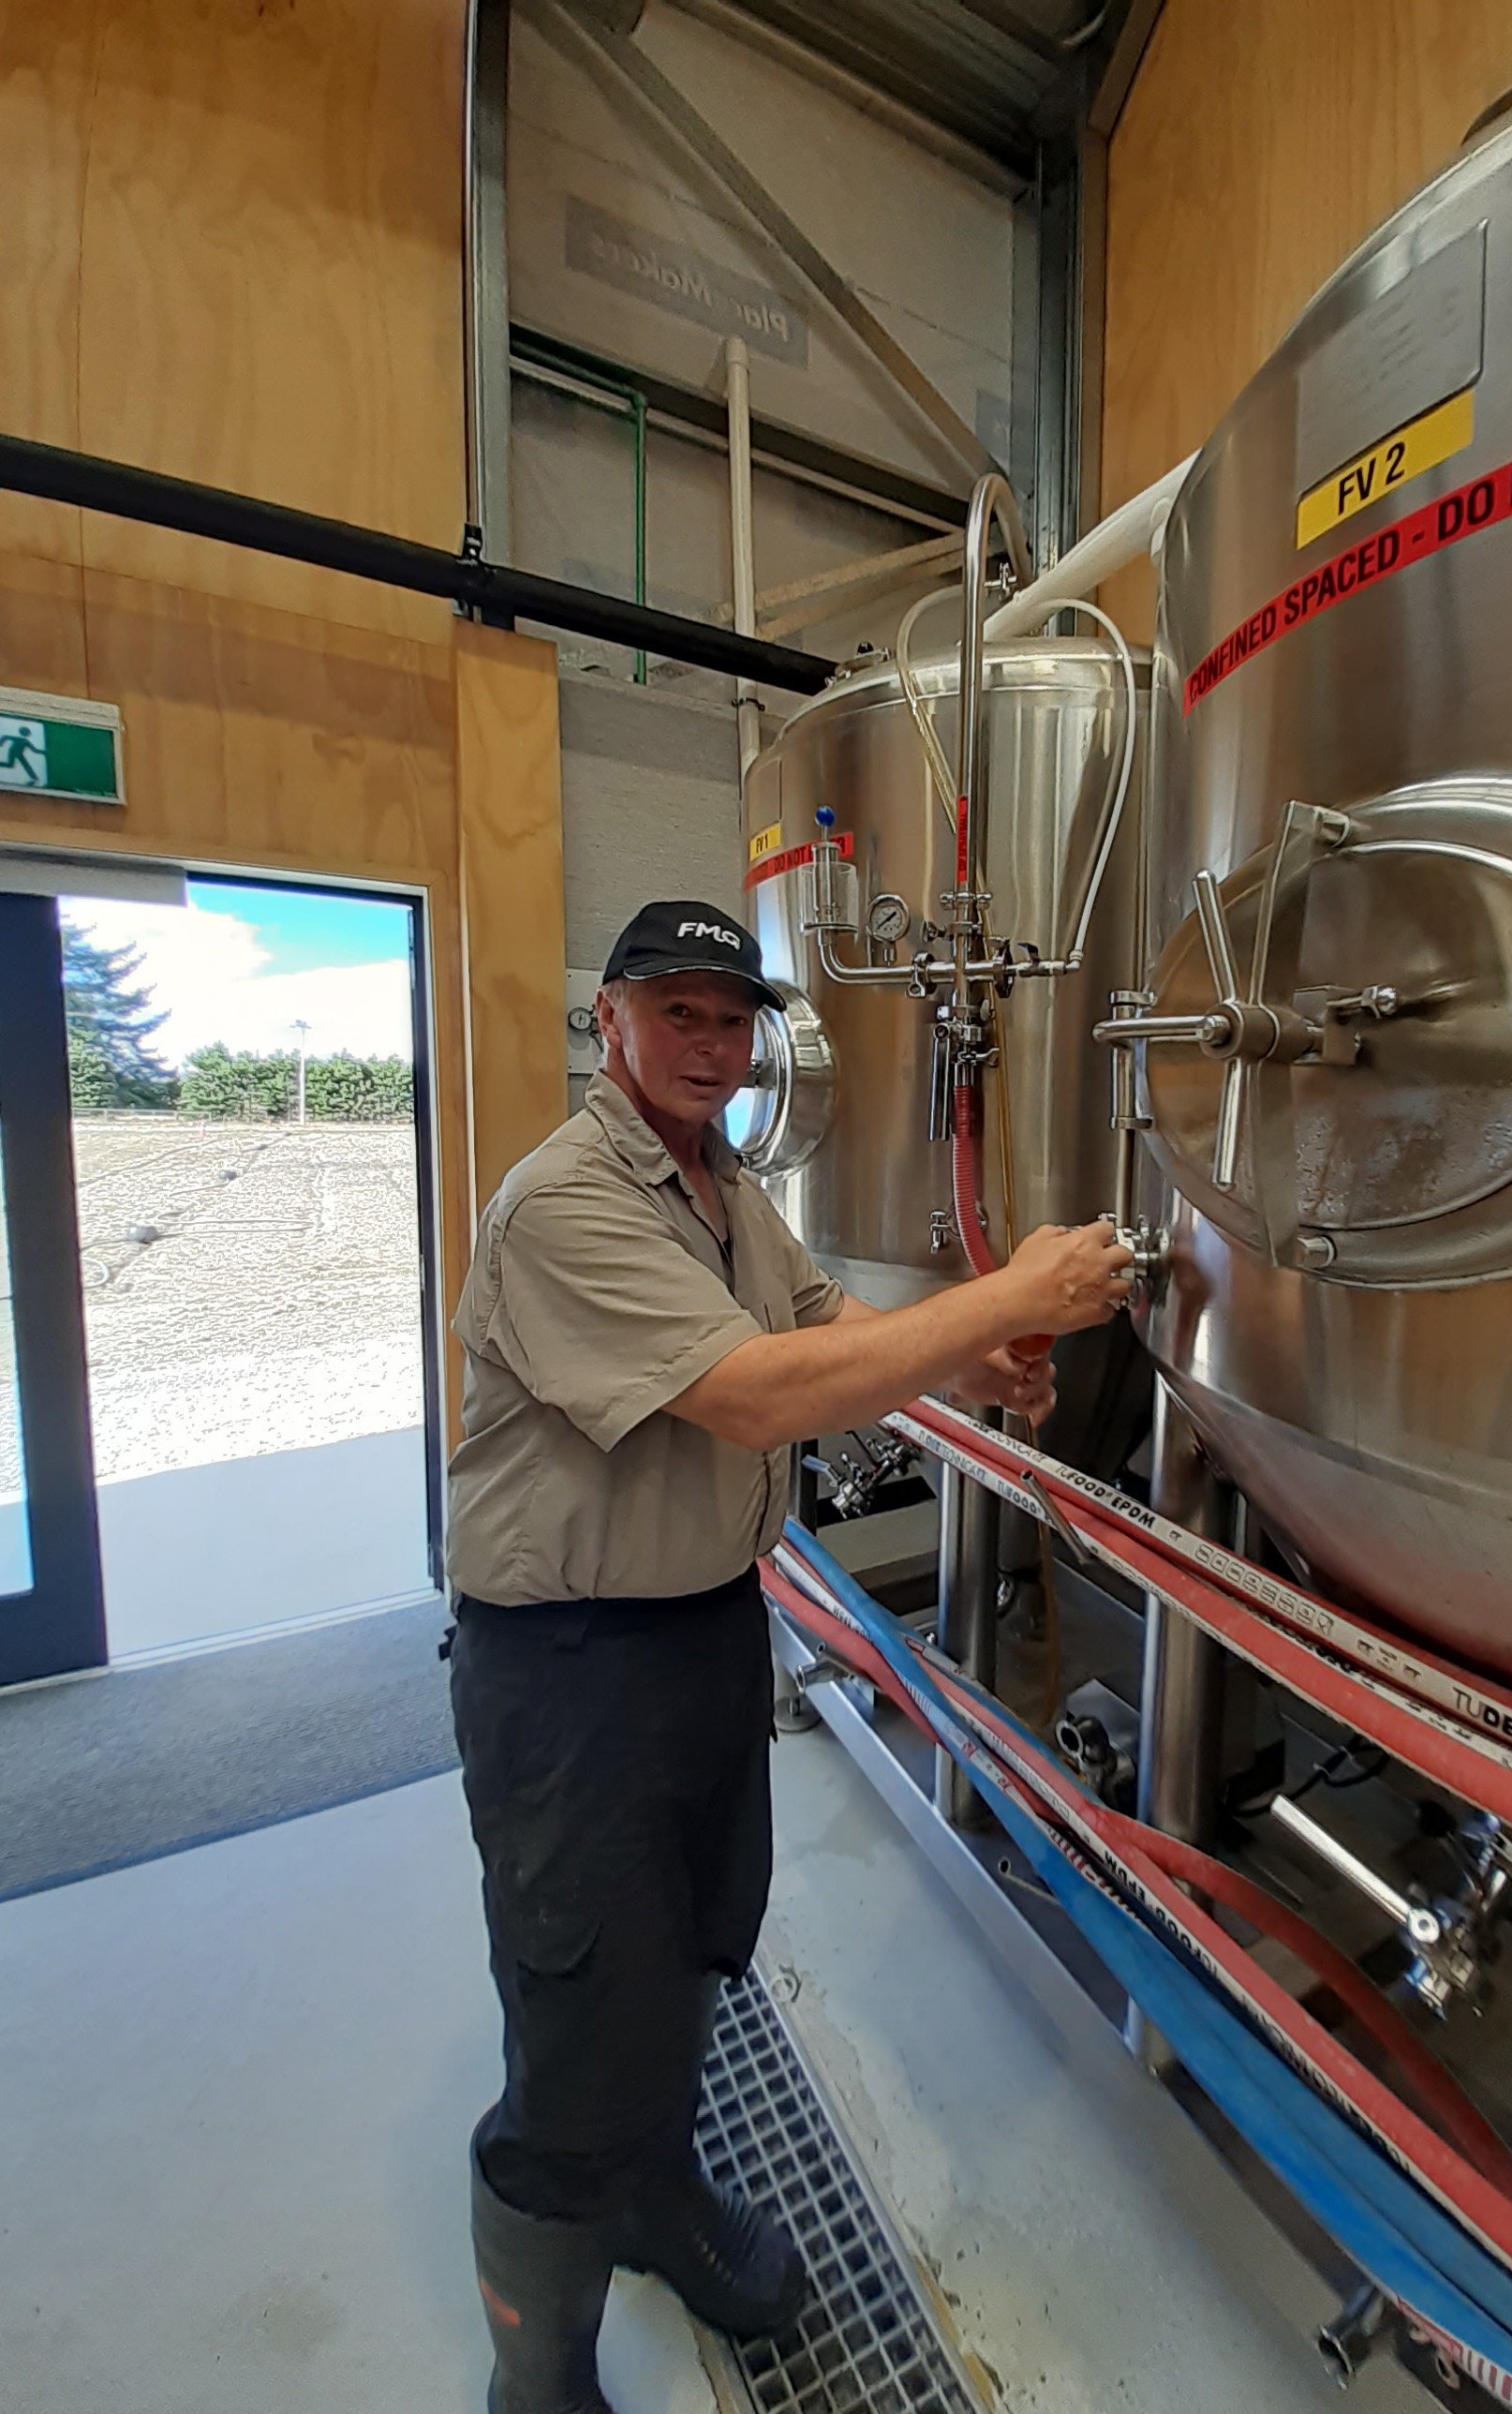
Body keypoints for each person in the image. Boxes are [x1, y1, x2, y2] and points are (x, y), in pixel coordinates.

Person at [446, 897, 1133, 2414]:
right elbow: (762, 1394)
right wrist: (1005, 1295)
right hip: (565, 1667)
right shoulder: (568, 1200)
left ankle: (653, 2191)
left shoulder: (725, 1186)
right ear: (607, 1021)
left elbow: (826, 1318)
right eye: (676, 1011)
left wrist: (971, 1354)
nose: (712, 1043)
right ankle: (538, 2370)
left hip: (698, 1632)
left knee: (697, 1942)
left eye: (732, 1016)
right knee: (578, 2014)